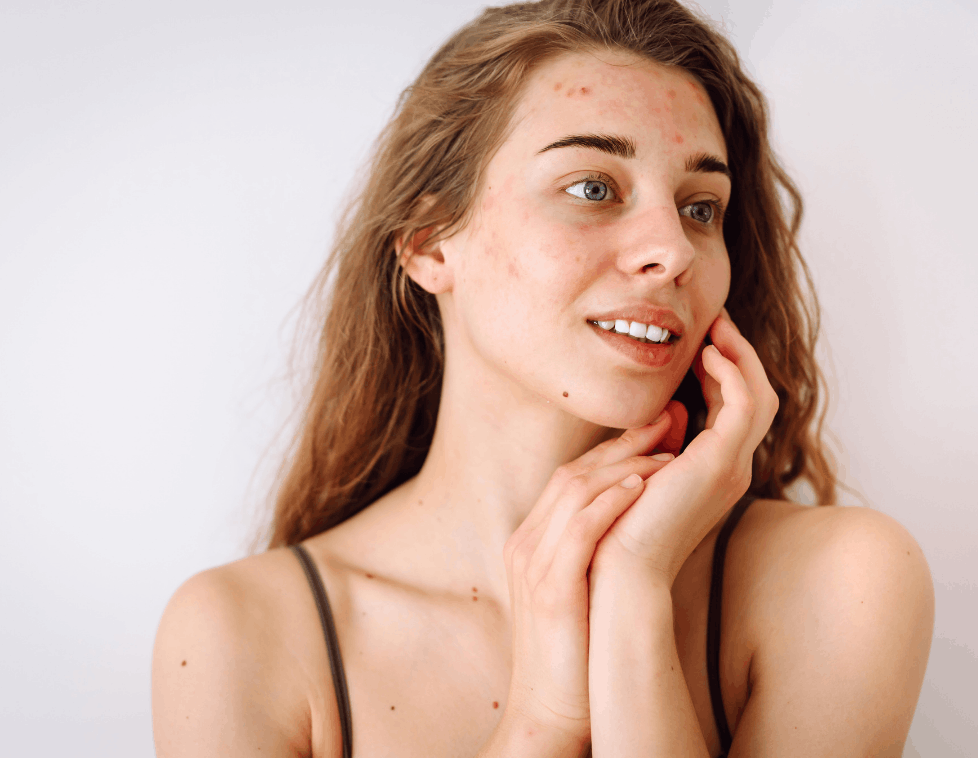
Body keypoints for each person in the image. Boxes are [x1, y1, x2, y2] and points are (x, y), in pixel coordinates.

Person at [151, 0, 934, 755]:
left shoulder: (843, 584)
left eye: (701, 207)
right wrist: (542, 722)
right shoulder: (240, 638)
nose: (675, 250)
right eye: (593, 188)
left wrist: (631, 596)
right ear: (428, 243)